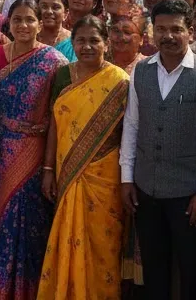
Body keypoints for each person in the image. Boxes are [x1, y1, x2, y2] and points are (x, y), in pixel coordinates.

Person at [120, 0, 196, 300]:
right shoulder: (141, 71)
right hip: (145, 187)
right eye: (161, 29)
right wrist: (127, 178)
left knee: (190, 268)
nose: (168, 36)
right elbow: (132, 126)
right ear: (151, 32)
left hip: (187, 193)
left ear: (190, 32)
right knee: (154, 267)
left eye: (176, 29)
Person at [38, 16, 130, 300]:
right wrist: (49, 168)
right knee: (68, 232)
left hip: (105, 175)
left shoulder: (120, 81)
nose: (87, 46)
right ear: (72, 43)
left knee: (104, 240)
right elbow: (54, 123)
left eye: (94, 40)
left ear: (106, 43)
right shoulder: (64, 75)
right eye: (81, 40)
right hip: (68, 169)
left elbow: (128, 132)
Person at [0, 0, 66, 300]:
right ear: (8, 22)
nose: (23, 25)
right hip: (1, 149)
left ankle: (29, 289)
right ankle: (2, 288)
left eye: (29, 20)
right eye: (17, 19)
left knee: (30, 220)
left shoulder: (54, 62)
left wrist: (49, 165)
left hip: (35, 150)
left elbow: (59, 116)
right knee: (5, 216)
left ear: (40, 23)